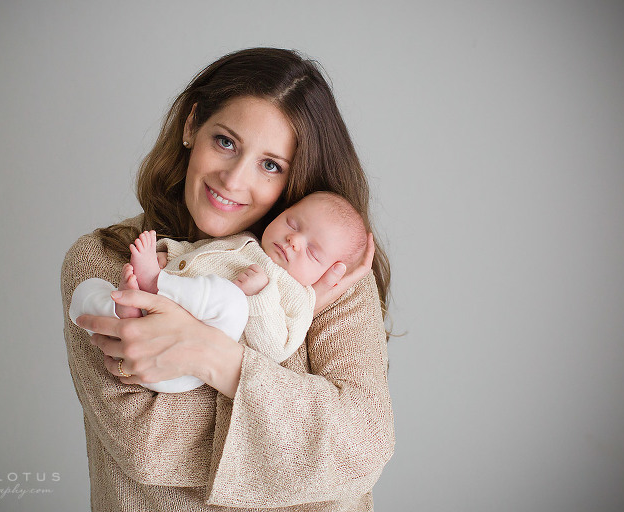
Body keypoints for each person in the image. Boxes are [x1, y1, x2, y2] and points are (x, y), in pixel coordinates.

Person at [61, 47, 394, 511]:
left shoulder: (327, 276)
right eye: (225, 142)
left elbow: (362, 449)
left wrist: (212, 354)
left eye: (270, 164)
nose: (234, 180)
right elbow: (149, 446)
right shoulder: (104, 261)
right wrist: (303, 429)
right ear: (192, 125)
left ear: (293, 179)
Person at [69, 191, 368, 393]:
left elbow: (277, 348)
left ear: (330, 273)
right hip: (156, 323)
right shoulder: (245, 242)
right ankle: (130, 308)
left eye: (313, 252)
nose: (293, 241)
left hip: (190, 359)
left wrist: (260, 296)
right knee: (90, 293)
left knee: (232, 299)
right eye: (292, 223)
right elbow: (200, 254)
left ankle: (154, 282)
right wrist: (170, 255)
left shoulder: (297, 295)